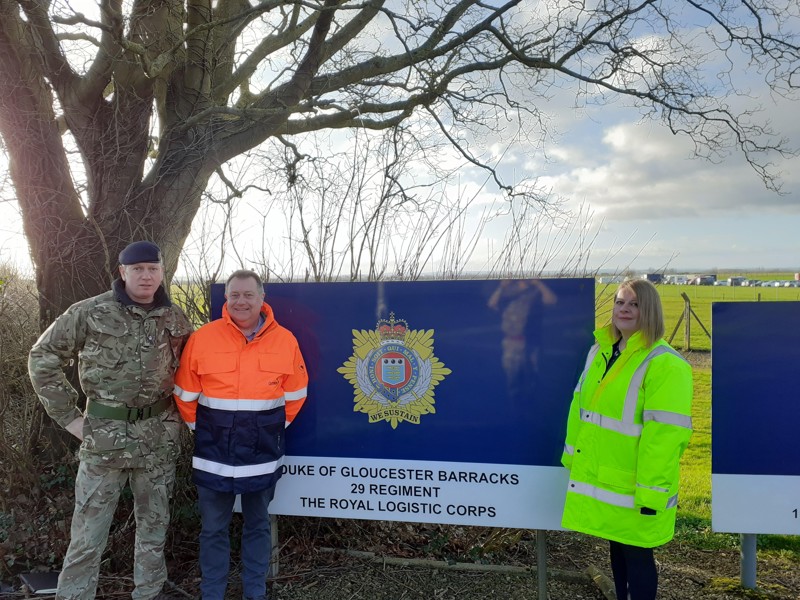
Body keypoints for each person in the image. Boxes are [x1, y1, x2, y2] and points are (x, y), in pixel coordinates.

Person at [28, 241, 193, 600]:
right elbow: (42, 357)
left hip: (157, 439)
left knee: (154, 528)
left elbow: (192, 373)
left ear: (162, 272)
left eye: (153, 268)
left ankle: (148, 594)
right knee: (88, 534)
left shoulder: (175, 318)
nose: (146, 276)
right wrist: (69, 418)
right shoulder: (90, 312)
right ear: (123, 272)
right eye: (138, 269)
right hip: (104, 441)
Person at [173, 270, 308, 600]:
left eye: (248, 295)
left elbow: (297, 394)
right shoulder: (203, 338)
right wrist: (203, 430)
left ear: (262, 299)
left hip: (262, 454)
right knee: (213, 529)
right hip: (213, 454)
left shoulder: (285, 340)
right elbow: (184, 394)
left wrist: (270, 430)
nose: (241, 301)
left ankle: (254, 593)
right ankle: (213, 593)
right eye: (234, 295)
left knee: (258, 525)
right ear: (226, 298)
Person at [560, 278, 693, 600]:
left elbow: (664, 435)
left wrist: (651, 492)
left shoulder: (665, 364)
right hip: (605, 479)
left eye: (634, 304)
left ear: (649, 310)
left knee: (638, 557)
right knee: (617, 549)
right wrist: (574, 460)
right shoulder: (601, 351)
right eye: (620, 302)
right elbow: (582, 409)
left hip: (635, 485)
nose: (624, 309)